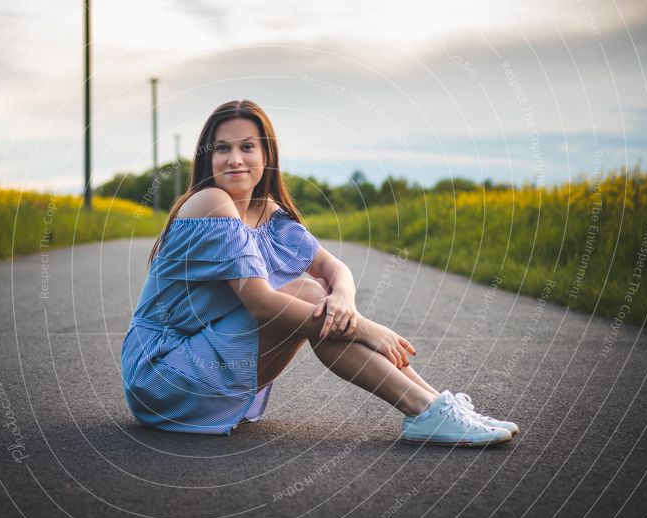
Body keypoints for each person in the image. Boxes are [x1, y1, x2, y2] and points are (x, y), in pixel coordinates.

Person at [121, 99, 519, 446]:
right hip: (162, 373)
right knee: (308, 294)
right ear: (207, 158)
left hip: (205, 359)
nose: (235, 159)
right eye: (223, 148)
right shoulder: (210, 202)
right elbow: (260, 303)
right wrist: (364, 329)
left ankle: (436, 405)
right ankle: (423, 410)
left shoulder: (267, 213)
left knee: (315, 289)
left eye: (247, 147)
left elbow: (333, 267)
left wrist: (345, 299)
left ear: (267, 157)